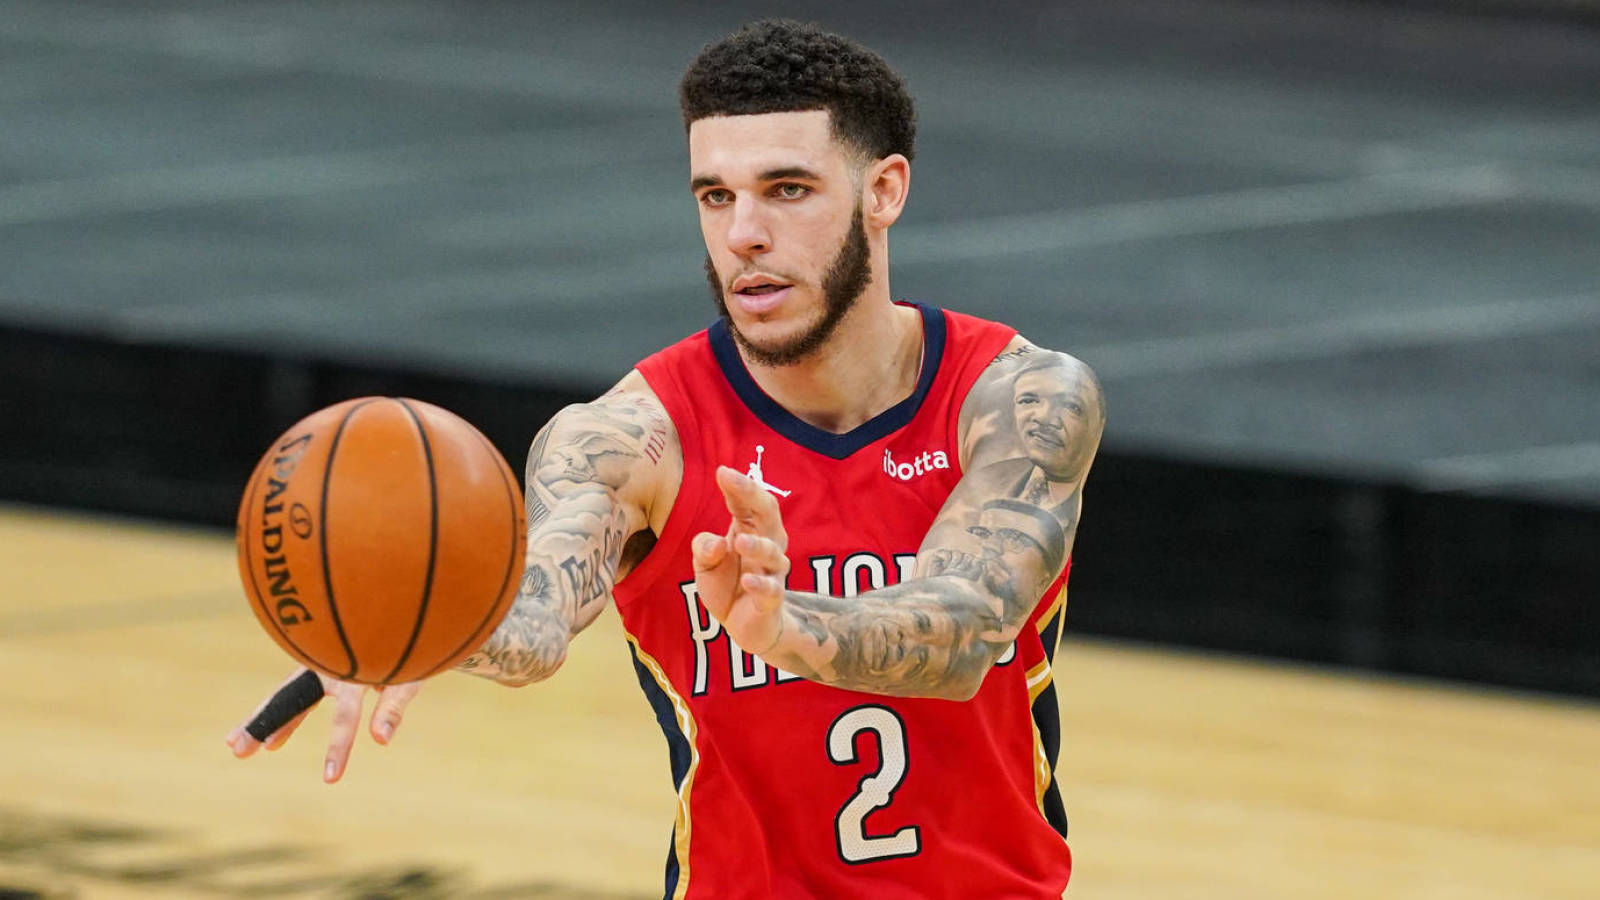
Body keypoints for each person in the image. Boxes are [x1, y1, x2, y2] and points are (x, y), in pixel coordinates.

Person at [226, 19, 1104, 899]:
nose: (744, 235)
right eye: (715, 197)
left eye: (787, 190)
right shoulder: (632, 435)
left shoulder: (1015, 399)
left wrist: (782, 628)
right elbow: (533, 626)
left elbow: (962, 632)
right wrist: (413, 623)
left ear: (885, 191)